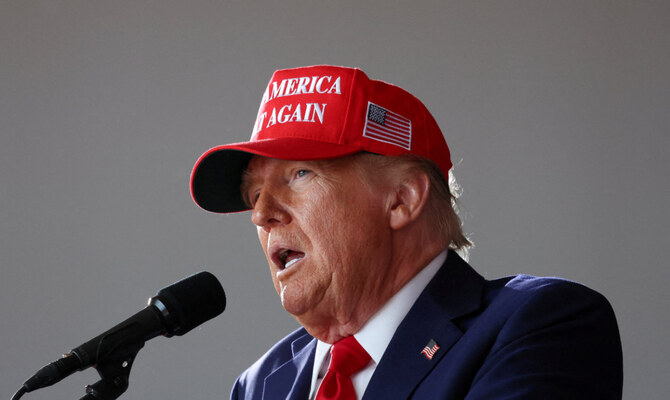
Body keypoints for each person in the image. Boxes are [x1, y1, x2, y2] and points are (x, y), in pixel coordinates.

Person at [190, 65, 623, 399]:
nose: (261, 214)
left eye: (300, 174)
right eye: (255, 193)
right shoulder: (261, 384)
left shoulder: (539, 324)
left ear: (402, 199)